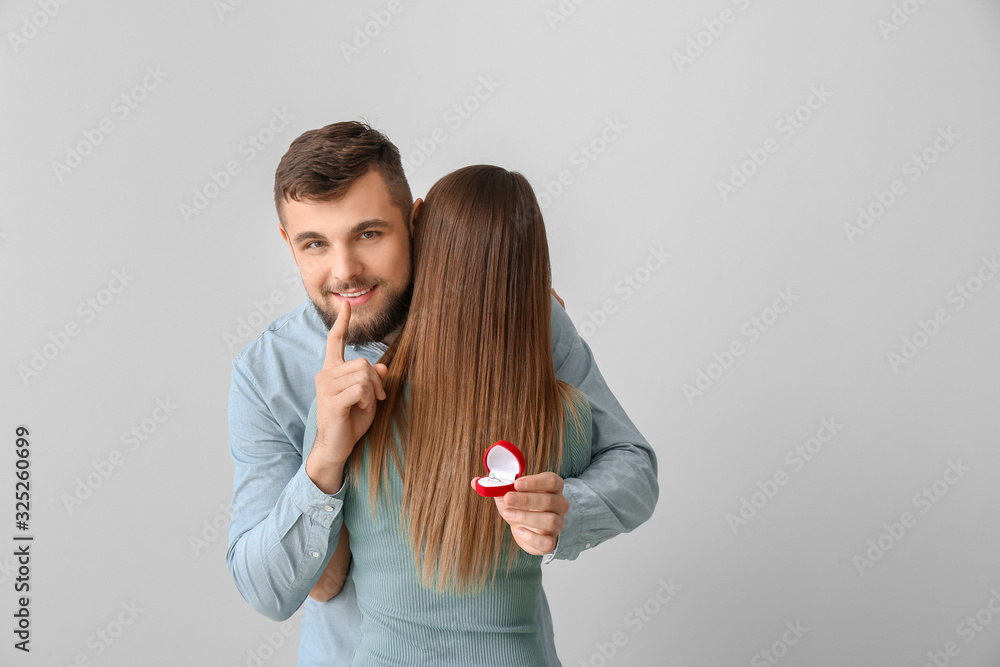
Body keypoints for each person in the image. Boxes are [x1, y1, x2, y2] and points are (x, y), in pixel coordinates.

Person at [226, 121, 657, 666]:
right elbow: (270, 592)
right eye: (316, 244)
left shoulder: (518, 317)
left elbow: (633, 468)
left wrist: (565, 508)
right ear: (290, 245)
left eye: (369, 234)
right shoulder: (267, 373)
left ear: (415, 220)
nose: (345, 272)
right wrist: (325, 460)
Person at [299, 165, 595, 664]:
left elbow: (324, 582)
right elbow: (619, 479)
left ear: (422, 253)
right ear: (535, 277)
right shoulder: (570, 416)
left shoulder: (352, 409)